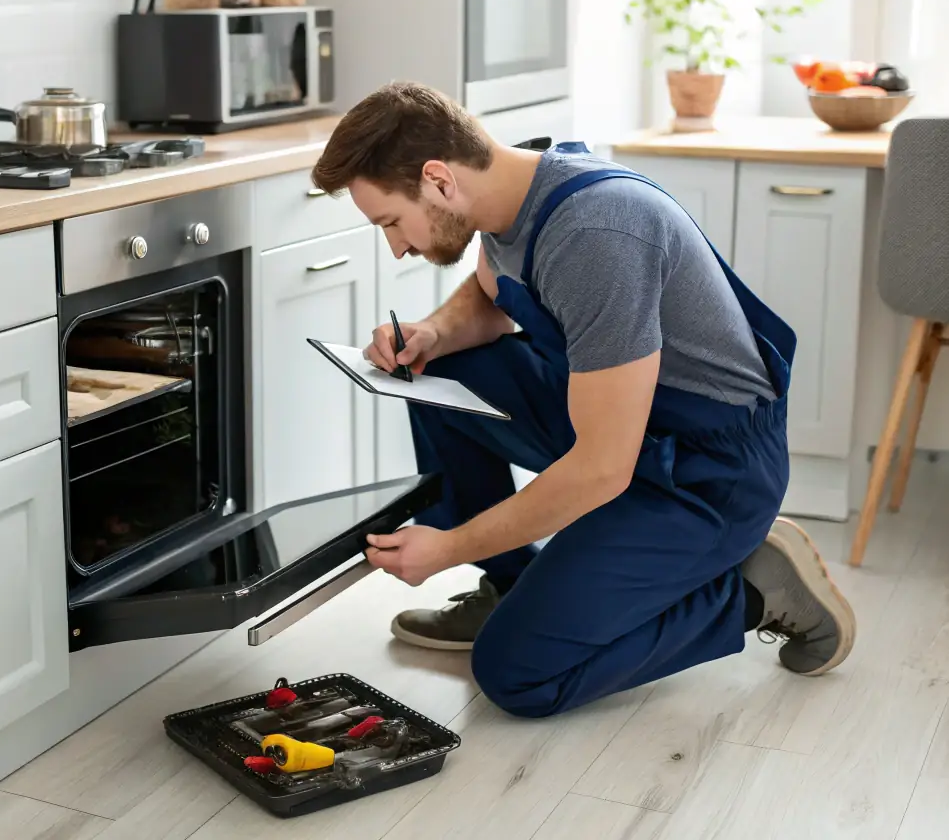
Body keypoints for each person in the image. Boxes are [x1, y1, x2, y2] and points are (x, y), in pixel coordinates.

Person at [310, 82, 856, 719]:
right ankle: (510, 586)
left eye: (391, 223)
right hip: (627, 425)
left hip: (707, 474)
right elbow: (489, 291)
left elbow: (602, 467)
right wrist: (432, 333)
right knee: (438, 373)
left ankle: (753, 591)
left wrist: (451, 545)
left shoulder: (595, 235)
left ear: (438, 179)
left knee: (515, 674)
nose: (397, 246)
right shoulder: (512, 195)